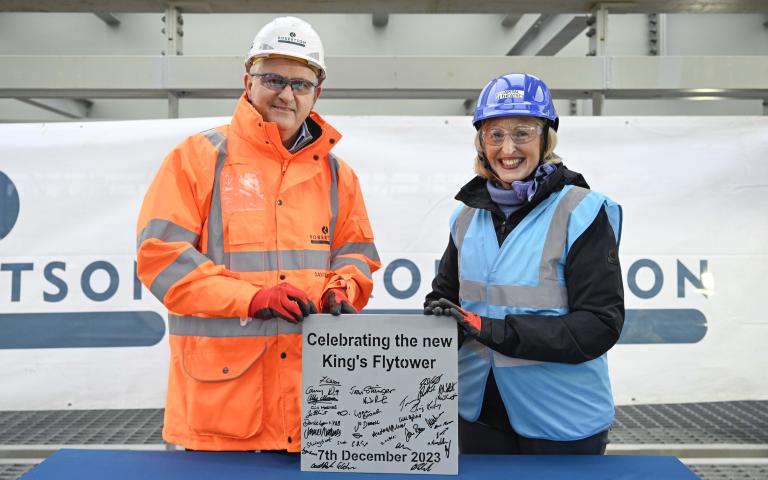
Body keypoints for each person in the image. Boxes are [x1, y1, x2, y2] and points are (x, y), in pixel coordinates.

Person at [136, 16, 380, 452]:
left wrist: (341, 290)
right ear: (248, 80)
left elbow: (356, 256)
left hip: (319, 410)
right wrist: (251, 298)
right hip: (222, 414)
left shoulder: (338, 176)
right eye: (274, 78)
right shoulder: (197, 158)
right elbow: (162, 260)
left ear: (316, 94)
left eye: (300, 84)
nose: (286, 94)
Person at [424, 73, 624, 455]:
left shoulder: (582, 211)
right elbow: (447, 297)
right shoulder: (465, 217)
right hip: (476, 414)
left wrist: (494, 330)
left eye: (522, 132)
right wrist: (438, 318)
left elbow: (599, 325)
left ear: (546, 138)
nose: (507, 147)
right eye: (495, 134)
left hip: (561, 419)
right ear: (481, 142)